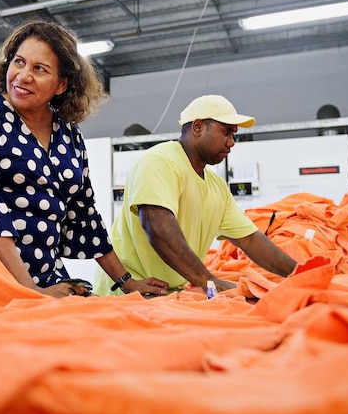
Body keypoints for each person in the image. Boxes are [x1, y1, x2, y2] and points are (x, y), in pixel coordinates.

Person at [0, 19, 167, 316]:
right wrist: (27, 290)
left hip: (44, 281)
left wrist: (126, 282)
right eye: (18, 62)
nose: (23, 76)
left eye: (39, 69)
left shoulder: (69, 134)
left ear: (62, 84)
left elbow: (84, 214)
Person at [94, 95, 298, 295]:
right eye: (226, 132)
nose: (232, 142)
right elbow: (158, 228)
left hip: (165, 294)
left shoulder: (216, 186)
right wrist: (208, 282)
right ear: (198, 127)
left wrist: (299, 274)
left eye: (233, 135)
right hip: (128, 291)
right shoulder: (160, 162)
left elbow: (250, 240)